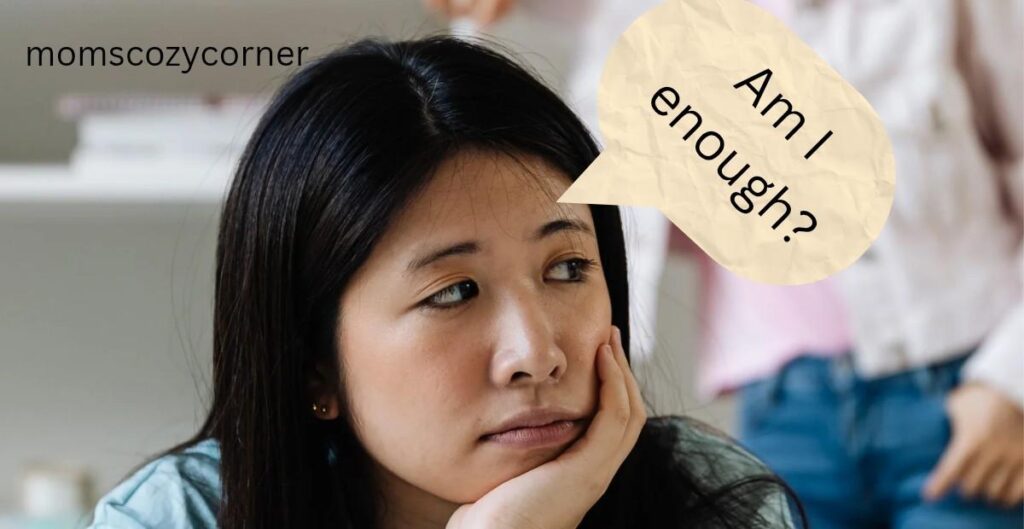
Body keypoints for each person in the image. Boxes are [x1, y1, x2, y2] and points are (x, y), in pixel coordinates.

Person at [83, 37, 798, 529]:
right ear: (313, 364)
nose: (536, 354)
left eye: (567, 268)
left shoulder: (708, 499)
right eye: (454, 292)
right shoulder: (177, 518)